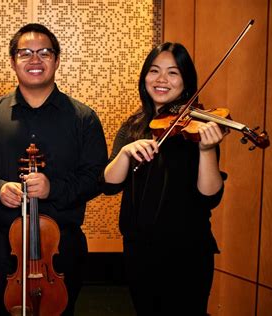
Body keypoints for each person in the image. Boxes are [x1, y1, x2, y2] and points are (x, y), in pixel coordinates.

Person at [0, 23, 108, 315]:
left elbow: (96, 177)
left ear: (57, 59)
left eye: (44, 52)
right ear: (12, 61)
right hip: (3, 244)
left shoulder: (84, 118)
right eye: (25, 53)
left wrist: (54, 188)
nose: (34, 60)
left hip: (64, 244)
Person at [103, 42, 227, 315]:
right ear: (144, 76)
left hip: (187, 252)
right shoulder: (134, 125)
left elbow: (210, 196)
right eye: (154, 71)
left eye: (173, 73)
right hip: (139, 249)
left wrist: (206, 150)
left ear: (186, 81)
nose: (161, 80)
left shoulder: (197, 127)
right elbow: (109, 185)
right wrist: (124, 153)